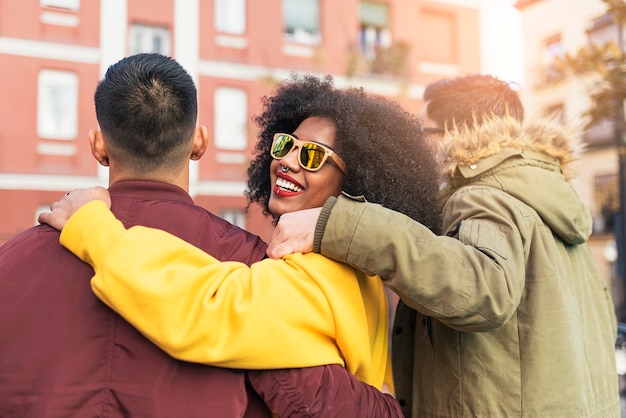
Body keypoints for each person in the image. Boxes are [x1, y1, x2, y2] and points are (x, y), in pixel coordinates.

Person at [0, 53, 401, 418]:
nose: (289, 162)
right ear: (199, 142)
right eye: (286, 146)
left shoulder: (11, 262)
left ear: (98, 145)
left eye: (313, 156)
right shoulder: (255, 266)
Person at [265, 74, 622, 417]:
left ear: (458, 135)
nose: (417, 145)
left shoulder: (485, 196)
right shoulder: (544, 201)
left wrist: (341, 225)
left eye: (424, 132)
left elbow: (483, 288)